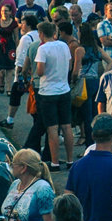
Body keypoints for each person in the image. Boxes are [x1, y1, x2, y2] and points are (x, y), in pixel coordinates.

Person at [35, 20, 77, 170]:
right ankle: (70, 160)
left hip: (48, 91)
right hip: (64, 89)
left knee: (52, 128)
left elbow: (40, 71)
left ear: (41, 34)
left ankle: (55, 162)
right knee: (67, 126)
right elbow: (70, 65)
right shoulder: (64, 46)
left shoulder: (43, 49)